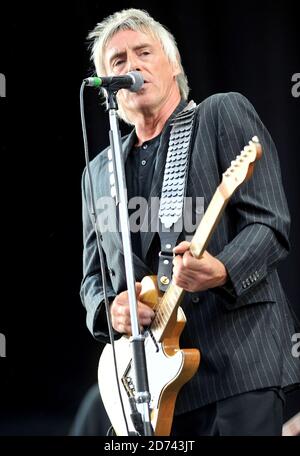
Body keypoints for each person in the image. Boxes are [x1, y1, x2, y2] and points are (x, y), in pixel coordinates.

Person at [80, 8, 300, 436]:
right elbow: (93, 278)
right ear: (108, 86)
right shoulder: (99, 172)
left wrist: (221, 268)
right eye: (117, 61)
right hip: (149, 387)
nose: (131, 66)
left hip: (236, 367)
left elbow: (270, 223)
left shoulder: (220, 114)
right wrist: (110, 310)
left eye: (143, 52)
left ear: (174, 64)